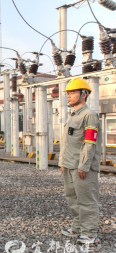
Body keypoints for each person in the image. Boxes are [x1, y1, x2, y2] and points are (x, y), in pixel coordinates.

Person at [59, 78, 101, 244]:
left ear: (84, 94)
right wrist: (63, 163)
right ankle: (77, 227)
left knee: (86, 199)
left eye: (73, 92)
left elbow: (89, 143)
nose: (68, 96)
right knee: (73, 198)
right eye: (68, 93)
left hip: (82, 167)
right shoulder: (73, 116)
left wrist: (84, 165)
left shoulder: (89, 115)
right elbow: (68, 142)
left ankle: (90, 232)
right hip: (69, 165)